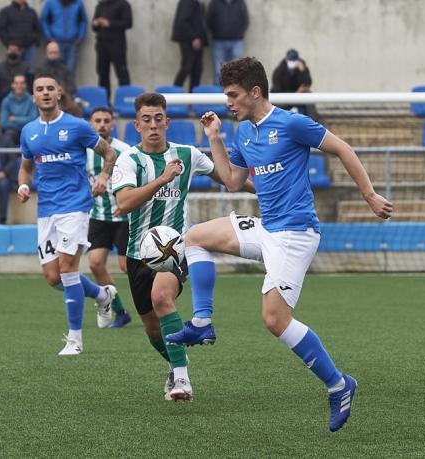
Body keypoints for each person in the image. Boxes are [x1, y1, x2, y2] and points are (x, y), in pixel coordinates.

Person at [165, 57, 393, 431]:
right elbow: (234, 181)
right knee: (194, 237)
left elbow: (343, 149)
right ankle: (202, 322)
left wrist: (368, 194)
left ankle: (339, 384)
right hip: (267, 228)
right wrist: (215, 139)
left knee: (274, 320)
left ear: (256, 92)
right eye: (226, 95)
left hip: (296, 233)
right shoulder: (245, 132)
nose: (229, 102)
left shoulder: (292, 123)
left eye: (234, 95)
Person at [111, 92, 241, 401]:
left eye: (158, 119)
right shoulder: (128, 159)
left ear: (167, 122)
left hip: (174, 247)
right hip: (138, 254)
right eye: (146, 120)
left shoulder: (187, 153)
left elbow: (228, 178)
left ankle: (182, 382)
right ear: (136, 125)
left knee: (161, 297)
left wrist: (215, 138)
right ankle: (176, 364)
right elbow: (125, 202)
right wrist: (163, 178)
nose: (153, 125)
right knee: (152, 330)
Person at [17, 73, 118, 356]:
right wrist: (23, 184)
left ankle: (75, 340)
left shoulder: (76, 126)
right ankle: (102, 294)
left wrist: (103, 177)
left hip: (75, 205)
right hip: (46, 208)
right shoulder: (29, 132)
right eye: (40, 89)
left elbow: (109, 153)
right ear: (33, 96)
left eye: (51, 88)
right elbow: (26, 166)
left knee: (67, 269)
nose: (46, 93)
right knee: (52, 277)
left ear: (59, 93)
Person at [85, 107, 132, 329]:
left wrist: (128, 204)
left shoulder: (124, 150)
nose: (102, 124)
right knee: (95, 264)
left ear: (112, 125)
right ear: (90, 124)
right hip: (98, 216)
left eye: (106, 121)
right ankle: (120, 311)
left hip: (123, 216)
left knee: (126, 266)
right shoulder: (83, 151)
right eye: (97, 121)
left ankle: (156, 303)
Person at [92, 0, 132, 100]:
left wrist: (109, 23)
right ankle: (105, 102)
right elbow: (94, 27)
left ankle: (125, 100)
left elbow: (128, 23)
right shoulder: (100, 6)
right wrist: (95, 23)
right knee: (102, 74)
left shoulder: (123, 4)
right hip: (102, 45)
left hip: (117, 45)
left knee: (122, 73)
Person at [206, 0, 249, 85]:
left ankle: (235, 96)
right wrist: (216, 32)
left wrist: (239, 33)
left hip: (237, 42)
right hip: (218, 42)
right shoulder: (214, 2)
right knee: (218, 72)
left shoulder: (240, 2)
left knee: (237, 72)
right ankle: (217, 97)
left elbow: (245, 20)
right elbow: (208, 20)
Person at [40, 0, 88, 76]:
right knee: (56, 72)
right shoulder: (50, 2)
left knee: (70, 71)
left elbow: (83, 20)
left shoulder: (78, 3)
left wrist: (80, 36)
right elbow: (44, 20)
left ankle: (69, 88)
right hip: (56, 43)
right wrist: (49, 37)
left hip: (72, 42)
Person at [171, 0, 208, 92]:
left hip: (197, 40)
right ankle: (173, 95)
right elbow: (183, 21)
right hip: (189, 41)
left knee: (197, 70)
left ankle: (193, 100)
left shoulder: (197, 3)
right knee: (186, 68)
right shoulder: (187, 2)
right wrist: (194, 38)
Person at [0, 0, 41, 68]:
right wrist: (9, 44)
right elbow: (0, 30)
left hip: (29, 48)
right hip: (14, 50)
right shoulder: (5, 11)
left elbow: (37, 28)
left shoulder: (31, 11)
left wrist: (36, 41)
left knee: (30, 71)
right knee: (13, 72)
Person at [271, 49, 315, 116]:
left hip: (299, 100)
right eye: (291, 60)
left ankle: (313, 122)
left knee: (309, 100)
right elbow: (277, 90)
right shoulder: (279, 71)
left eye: (294, 60)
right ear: (286, 59)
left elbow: (308, 83)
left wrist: (303, 71)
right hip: (283, 100)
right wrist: (296, 93)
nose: (292, 62)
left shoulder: (302, 69)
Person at [0, 42, 33, 110]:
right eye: (10, 50)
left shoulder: (26, 68)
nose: (12, 52)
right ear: (7, 51)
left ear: (20, 52)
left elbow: (31, 88)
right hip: (2, 100)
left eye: (15, 50)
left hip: (23, 102)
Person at [0, 73, 37, 144]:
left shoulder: (32, 100)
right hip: (12, 132)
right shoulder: (6, 101)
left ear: (25, 85)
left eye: (22, 83)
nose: (19, 86)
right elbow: (3, 122)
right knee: (8, 135)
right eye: (16, 83)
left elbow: (33, 120)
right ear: (12, 85)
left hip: (28, 131)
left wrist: (15, 119)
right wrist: (25, 119)